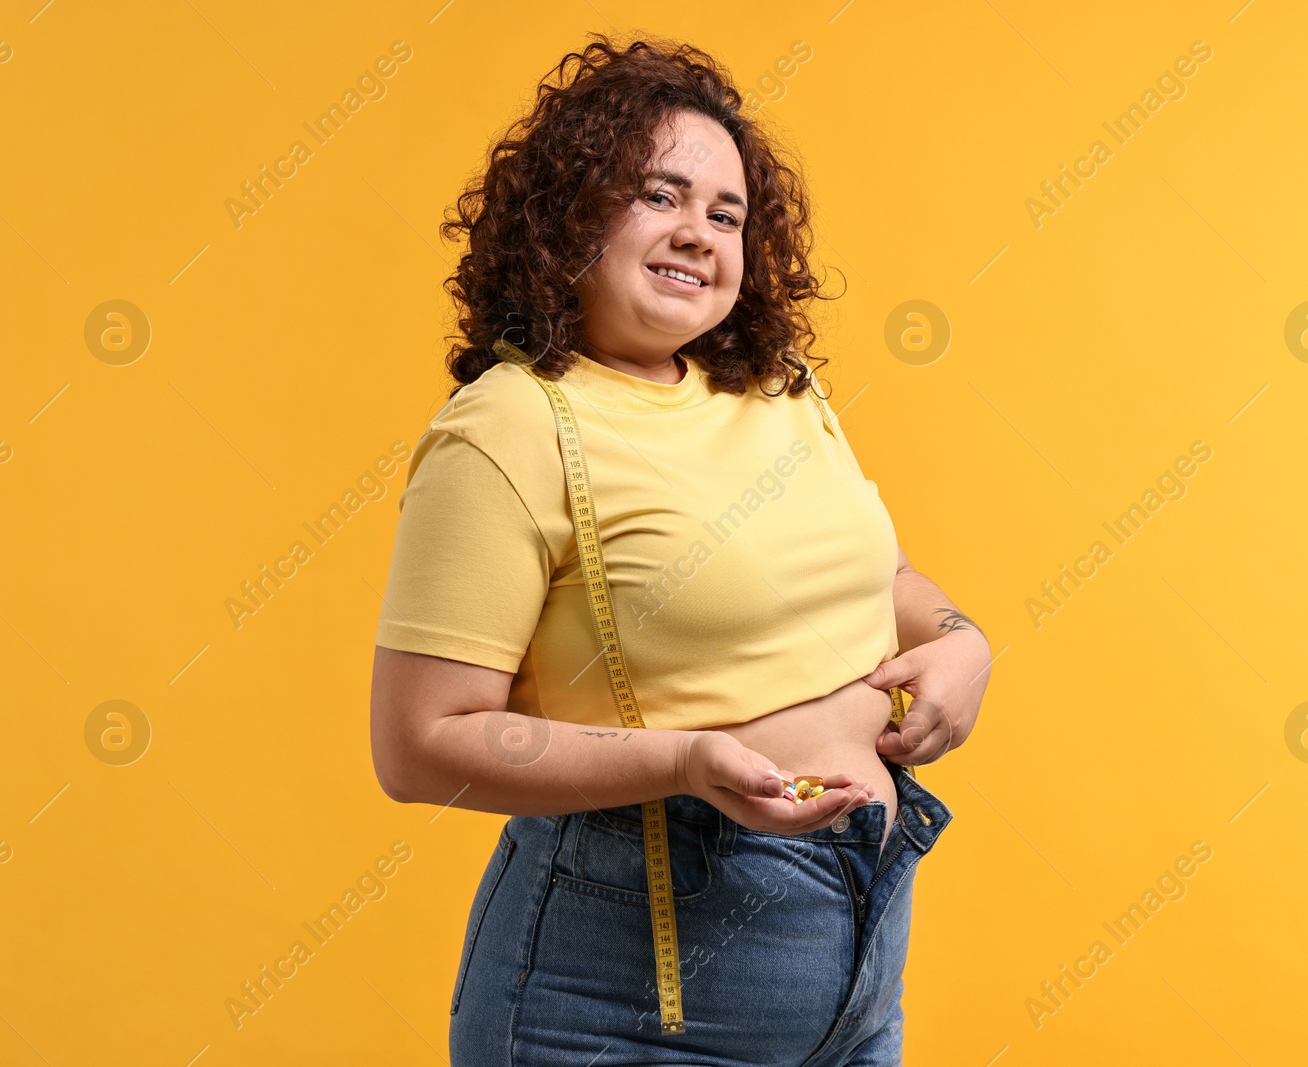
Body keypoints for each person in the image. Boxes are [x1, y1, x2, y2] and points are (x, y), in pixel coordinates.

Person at [369, 33, 993, 1066]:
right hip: (620, 997)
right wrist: (685, 762)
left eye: (726, 213)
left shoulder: (777, 386)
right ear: (569, 214)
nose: (699, 233)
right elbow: (419, 740)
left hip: (857, 959)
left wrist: (963, 640)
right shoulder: (511, 425)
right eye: (658, 196)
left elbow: (873, 580)